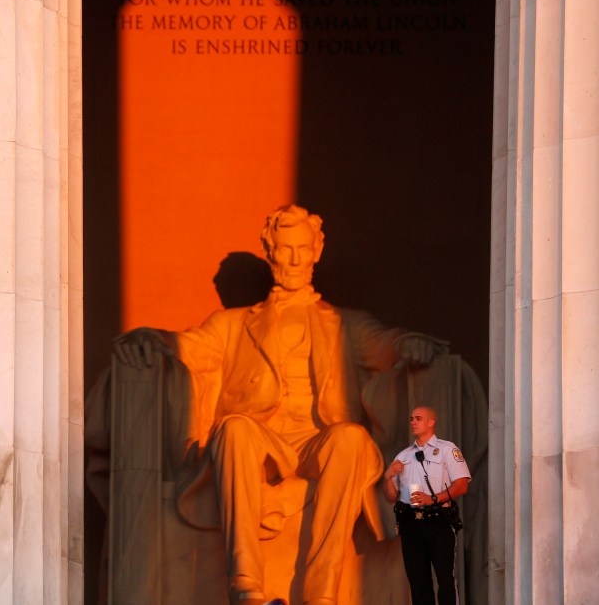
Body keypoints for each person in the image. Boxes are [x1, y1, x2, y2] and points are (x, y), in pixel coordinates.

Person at [115, 204, 447, 605]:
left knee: (352, 439)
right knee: (233, 427)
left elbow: (385, 343)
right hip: (261, 445)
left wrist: (406, 343)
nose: (293, 259)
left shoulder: (346, 323)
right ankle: (244, 583)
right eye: (284, 248)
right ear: (270, 251)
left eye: (301, 249)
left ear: (316, 251)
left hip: (317, 444)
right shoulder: (233, 324)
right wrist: (155, 340)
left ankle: (322, 594)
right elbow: (189, 347)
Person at [382, 406, 471, 605]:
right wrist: (387, 477)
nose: (413, 421)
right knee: (418, 582)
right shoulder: (403, 456)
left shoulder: (447, 449)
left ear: (431, 422)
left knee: (445, 579)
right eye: (411, 418)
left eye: (418, 418)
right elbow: (390, 496)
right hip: (411, 524)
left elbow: (462, 485)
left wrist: (432, 499)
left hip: (438, 520)